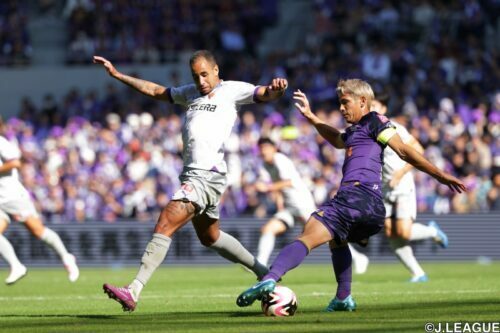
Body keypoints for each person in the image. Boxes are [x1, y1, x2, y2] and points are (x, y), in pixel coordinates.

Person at [236, 79, 466, 312]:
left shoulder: (375, 121)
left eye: (345, 102)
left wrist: (441, 175)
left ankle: (270, 278)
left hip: (356, 197)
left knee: (307, 235)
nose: (341, 108)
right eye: (340, 103)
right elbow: (337, 139)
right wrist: (311, 117)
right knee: (338, 240)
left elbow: (405, 150)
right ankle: (343, 298)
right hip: (373, 208)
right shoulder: (355, 132)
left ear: (363, 101)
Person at [93, 50, 288, 312]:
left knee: (165, 221)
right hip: (195, 174)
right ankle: (265, 273)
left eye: (205, 74)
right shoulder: (191, 93)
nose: (201, 81)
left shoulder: (231, 90)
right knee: (211, 237)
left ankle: (134, 289)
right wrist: (118, 75)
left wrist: (277, 88)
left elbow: (263, 94)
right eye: (196, 76)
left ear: (216, 70)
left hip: (206, 175)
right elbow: (155, 91)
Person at [255, 137, 369, 273]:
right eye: (261, 148)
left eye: (266, 148)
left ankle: (357, 257)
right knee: (268, 229)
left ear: (274, 148)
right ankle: (260, 265)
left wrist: (268, 187)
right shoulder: (265, 165)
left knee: (326, 235)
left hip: (301, 203)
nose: (263, 151)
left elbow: (289, 182)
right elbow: (278, 186)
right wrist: (279, 204)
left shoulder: (280, 160)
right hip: (289, 208)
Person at [371, 94, 449, 282]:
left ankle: (431, 231)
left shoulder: (394, 128)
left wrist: (400, 173)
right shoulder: (366, 131)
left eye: (375, 105)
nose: (371, 109)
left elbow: (419, 151)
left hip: (402, 184)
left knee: (404, 232)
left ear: (383, 109)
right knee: (390, 232)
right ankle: (418, 273)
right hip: (384, 188)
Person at [0, 128, 79, 285]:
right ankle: (16, 265)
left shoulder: (1, 142)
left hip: (13, 196)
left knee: (38, 231)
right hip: (0, 199)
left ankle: (66, 256)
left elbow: (15, 161)